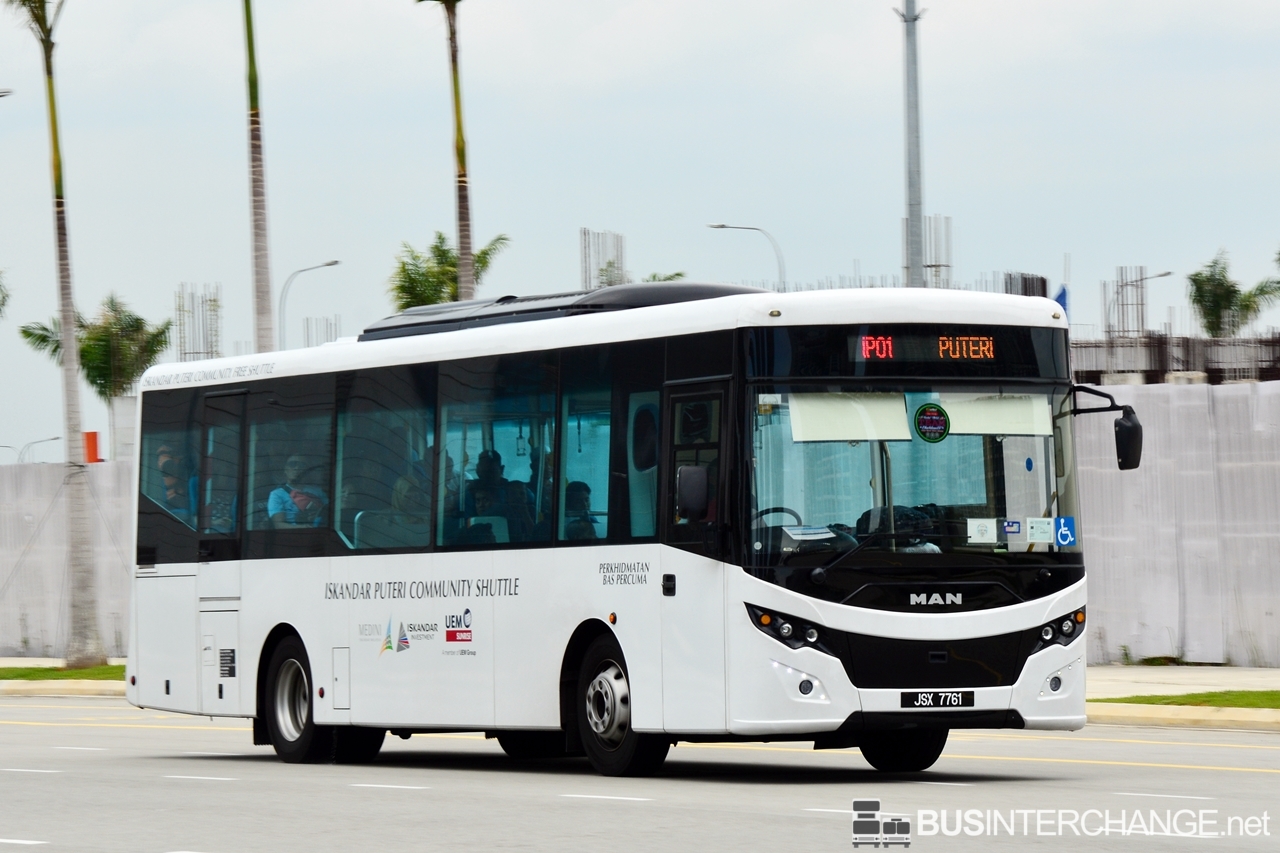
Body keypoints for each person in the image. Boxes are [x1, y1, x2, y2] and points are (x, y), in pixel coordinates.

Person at [269, 454, 328, 529]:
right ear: (286, 469)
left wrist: (318, 514)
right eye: (292, 464)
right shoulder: (276, 494)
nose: (296, 468)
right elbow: (279, 525)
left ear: (306, 470)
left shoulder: (318, 491)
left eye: (301, 465)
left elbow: (329, 513)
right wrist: (303, 527)